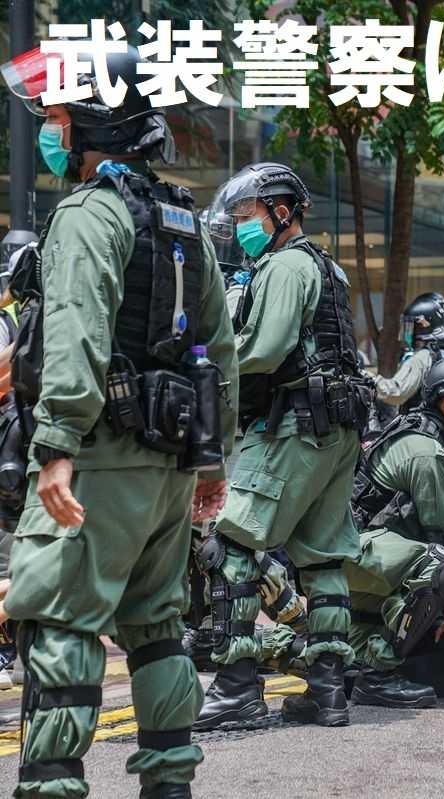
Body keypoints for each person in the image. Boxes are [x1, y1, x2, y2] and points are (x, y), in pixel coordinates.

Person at [0, 44, 238, 799]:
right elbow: (220, 351)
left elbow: (75, 333)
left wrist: (56, 445)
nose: (52, 130)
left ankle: (51, 786)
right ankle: (170, 784)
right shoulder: (183, 223)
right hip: (168, 467)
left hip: (98, 459)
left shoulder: (86, 215)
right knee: (157, 627)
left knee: (62, 622)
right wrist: (211, 462)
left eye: (59, 117)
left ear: (94, 123)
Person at [194, 161, 372, 731]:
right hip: (338, 429)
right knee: (321, 557)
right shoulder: (328, 268)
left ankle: (237, 685)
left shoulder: (283, 266)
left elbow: (267, 349)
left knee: (231, 546)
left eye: (248, 213)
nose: (241, 224)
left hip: (292, 425)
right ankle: (328, 688)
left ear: (282, 211)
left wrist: (209, 357)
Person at [270, 356, 444, 708]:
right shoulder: (426, 452)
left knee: (342, 656)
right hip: (354, 555)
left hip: (358, 556)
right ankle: (378, 677)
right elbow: (441, 535)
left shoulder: (427, 436)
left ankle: (272, 650)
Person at [372, 292, 444, 408]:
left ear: (423, 326)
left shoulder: (422, 358)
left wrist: (372, 380)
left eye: (412, 326)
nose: (408, 333)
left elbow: (396, 392)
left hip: (423, 418)